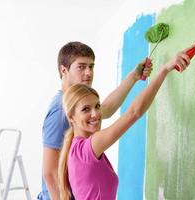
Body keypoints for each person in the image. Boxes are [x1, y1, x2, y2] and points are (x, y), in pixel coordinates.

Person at [58, 50, 191, 200]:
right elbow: (134, 113)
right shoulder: (87, 149)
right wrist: (165, 69)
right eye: (85, 109)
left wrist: (134, 76)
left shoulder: (77, 148)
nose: (95, 114)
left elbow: (108, 108)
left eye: (97, 106)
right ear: (72, 117)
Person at [38, 41, 152, 200]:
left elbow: (106, 108)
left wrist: (133, 76)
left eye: (91, 66)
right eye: (81, 67)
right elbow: (49, 173)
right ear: (63, 70)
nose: (88, 73)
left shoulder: (78, 103)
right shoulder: (59, 110)